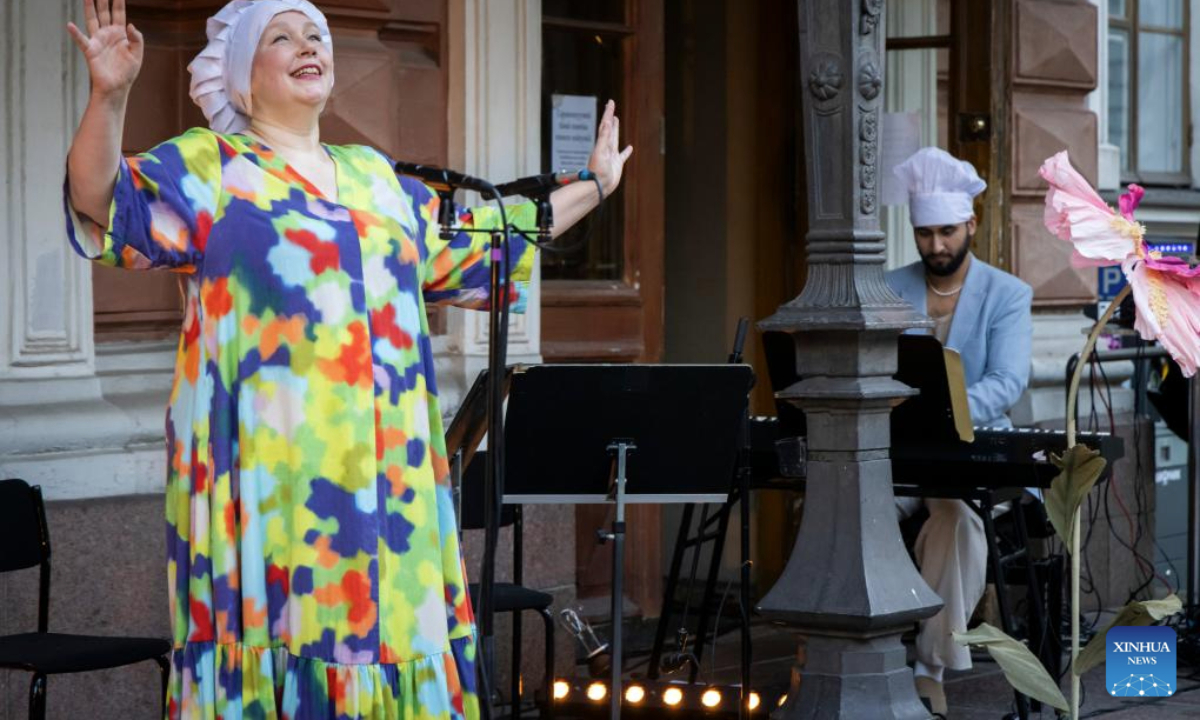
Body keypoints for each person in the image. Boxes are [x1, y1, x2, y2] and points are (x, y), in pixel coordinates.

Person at [63, 1, 632, 717]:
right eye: (280, 36)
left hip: (392, 485)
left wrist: (597, 185)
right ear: (242, 76)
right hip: (274, 486)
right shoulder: (211, 168)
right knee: (291, 641)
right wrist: (109, 96)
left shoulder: (378, 178)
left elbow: (491, 238)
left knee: (395, 634)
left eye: (316, 35)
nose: (307, 47)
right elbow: (101, 201)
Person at [886, 147, 1033, 716]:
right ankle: (831, 648)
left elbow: (1007, 382)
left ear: (971, 223)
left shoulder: (1007, 294)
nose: (936, 246)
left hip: (971, 454)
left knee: (953, 520)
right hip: (898, 453)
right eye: (924, 234)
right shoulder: (887, 287)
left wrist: (946, 415)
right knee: (847, 507)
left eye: (947, 231)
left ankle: (929, 667)